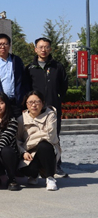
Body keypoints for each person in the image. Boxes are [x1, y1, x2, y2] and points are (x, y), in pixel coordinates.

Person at [26, 37, 69, 178]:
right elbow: (27, 89)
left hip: (52, 108)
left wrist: (56, 98)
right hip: (35, 109)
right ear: (35, 49)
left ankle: (56, 165)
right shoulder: (30, 68)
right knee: (34, 136)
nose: (43, 50)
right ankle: (35, 166)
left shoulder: (58, 67)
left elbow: (63, 86)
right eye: (40, 47)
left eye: (46, 47)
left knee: (54, 136)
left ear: (50, 49)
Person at [17, 90, 61, 191]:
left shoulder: (50, 115)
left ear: (43, 103)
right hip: (30, 153)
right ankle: (34, 175)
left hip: (48, 150)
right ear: (26, 104)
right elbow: (18, 139)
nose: (34, 105)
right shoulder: (21, 119)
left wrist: (28, 143)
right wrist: (23, 152)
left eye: (37, 102)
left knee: (44, 145)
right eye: (30, 102)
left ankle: (50, 178)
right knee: (26, 169)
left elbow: (49, 136)